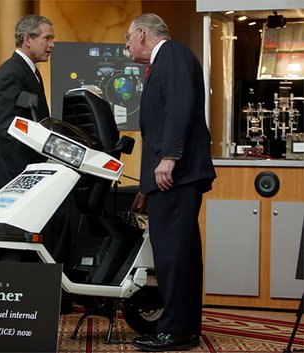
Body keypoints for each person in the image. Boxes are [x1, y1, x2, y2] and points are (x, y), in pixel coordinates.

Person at [125, 13, 216, 351]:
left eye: (128, 38)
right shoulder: (164, 60)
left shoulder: (173, 52)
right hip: (168, 179)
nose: (126, 46)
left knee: (174, 255)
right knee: (178, 253)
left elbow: (180, 106)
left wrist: (169, 158)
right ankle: (183, 328)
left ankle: (175, 330)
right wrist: (147, 186)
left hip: (176, 175)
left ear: (144, 34)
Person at [0, 14, 54, 195]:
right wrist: (30, 173)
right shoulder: (12, 73)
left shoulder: (25, 71)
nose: (52, 44)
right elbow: (6, 129)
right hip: (14, 179)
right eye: (47, 38)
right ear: (27, 39)